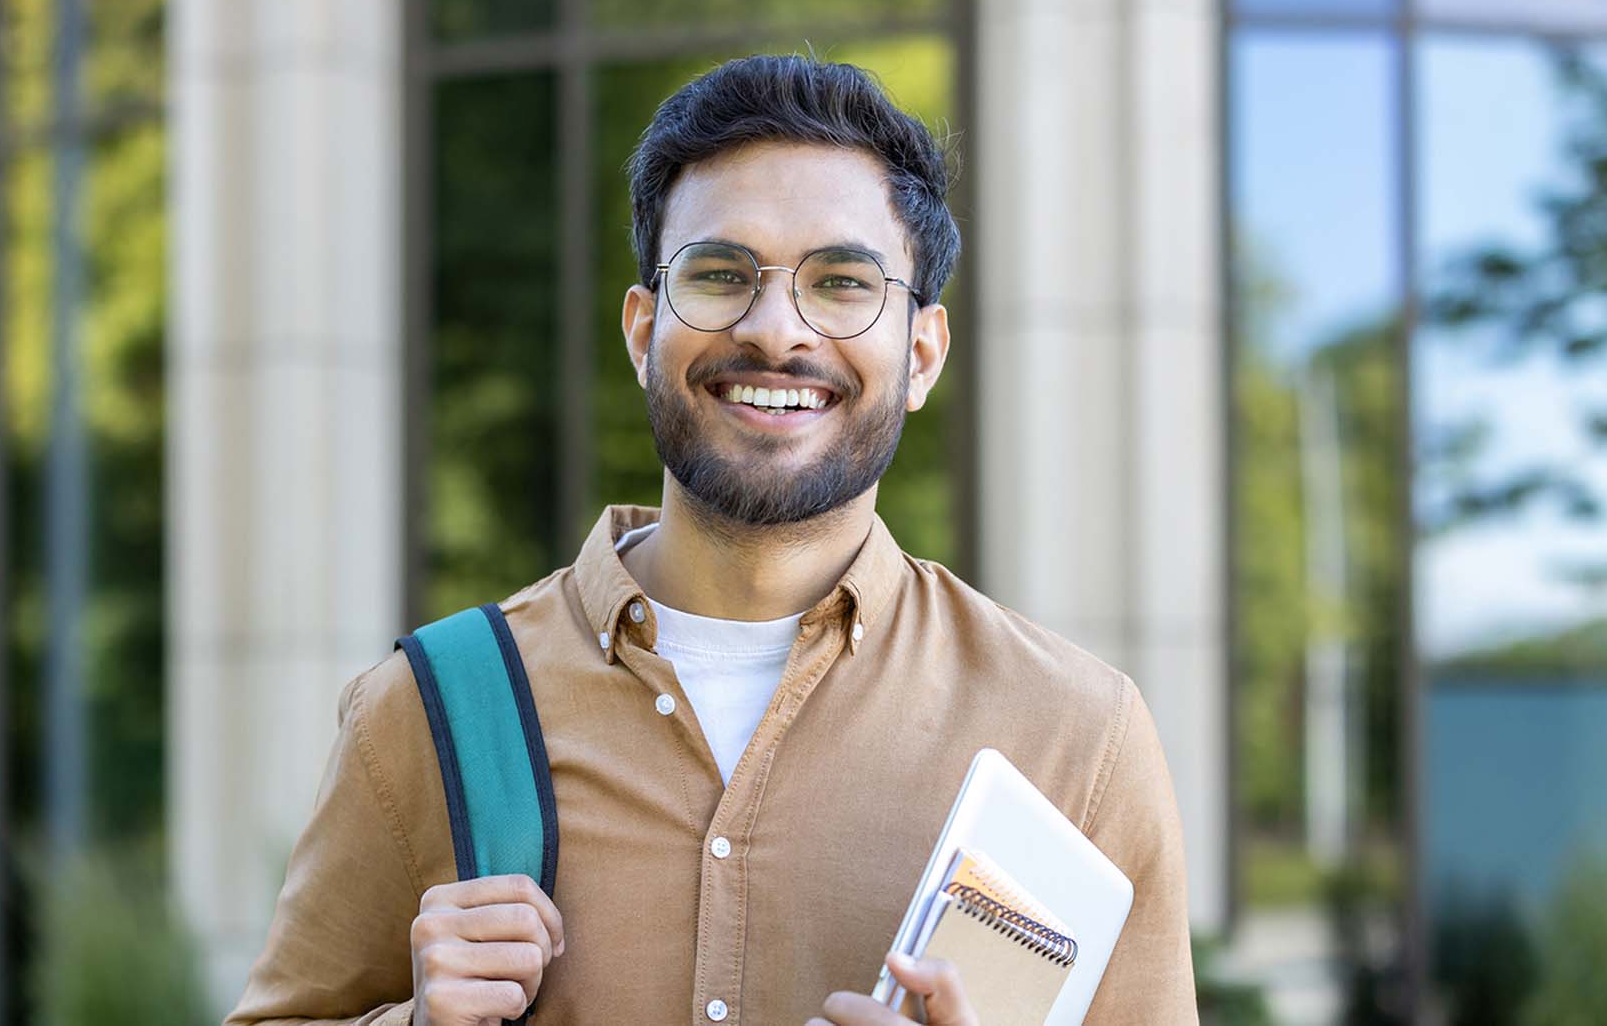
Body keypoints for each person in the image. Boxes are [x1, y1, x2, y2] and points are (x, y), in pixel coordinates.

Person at [224, 54, 1197, 1026]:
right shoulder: (426, 713)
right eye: (722, 274)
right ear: (644, 330)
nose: (776, 330)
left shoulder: (1077, 740)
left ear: (922, 353)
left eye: (843, 282)